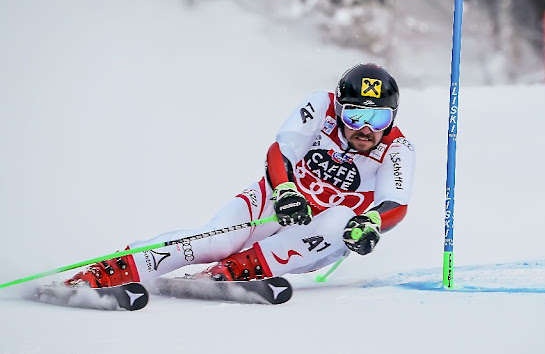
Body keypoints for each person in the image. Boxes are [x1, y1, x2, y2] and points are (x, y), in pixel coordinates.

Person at [65, 63, 416, 287]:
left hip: (316, 236)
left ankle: (235, 271)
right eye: (355, 117)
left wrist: (370, 223)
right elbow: (282, 150)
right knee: (213, 241)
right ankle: (112, 270)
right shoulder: (320, 106)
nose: (365, 130)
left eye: (379, 119)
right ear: (339, 110)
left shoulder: (397, 149)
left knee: (341, 218)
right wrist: (285, 191)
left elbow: (395, 203)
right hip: (281, 201)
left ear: (393, 118)